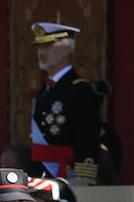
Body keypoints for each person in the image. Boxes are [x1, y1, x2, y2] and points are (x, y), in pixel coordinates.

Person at [30, 22, 103, 185]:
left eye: (48, 46)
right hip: (43, 175)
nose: (41, 52)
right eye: (39, 47)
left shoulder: (79, 89)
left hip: (66, 176)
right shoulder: (46, 89)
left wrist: (83, 179)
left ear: (67, 50)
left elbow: (87, 139)